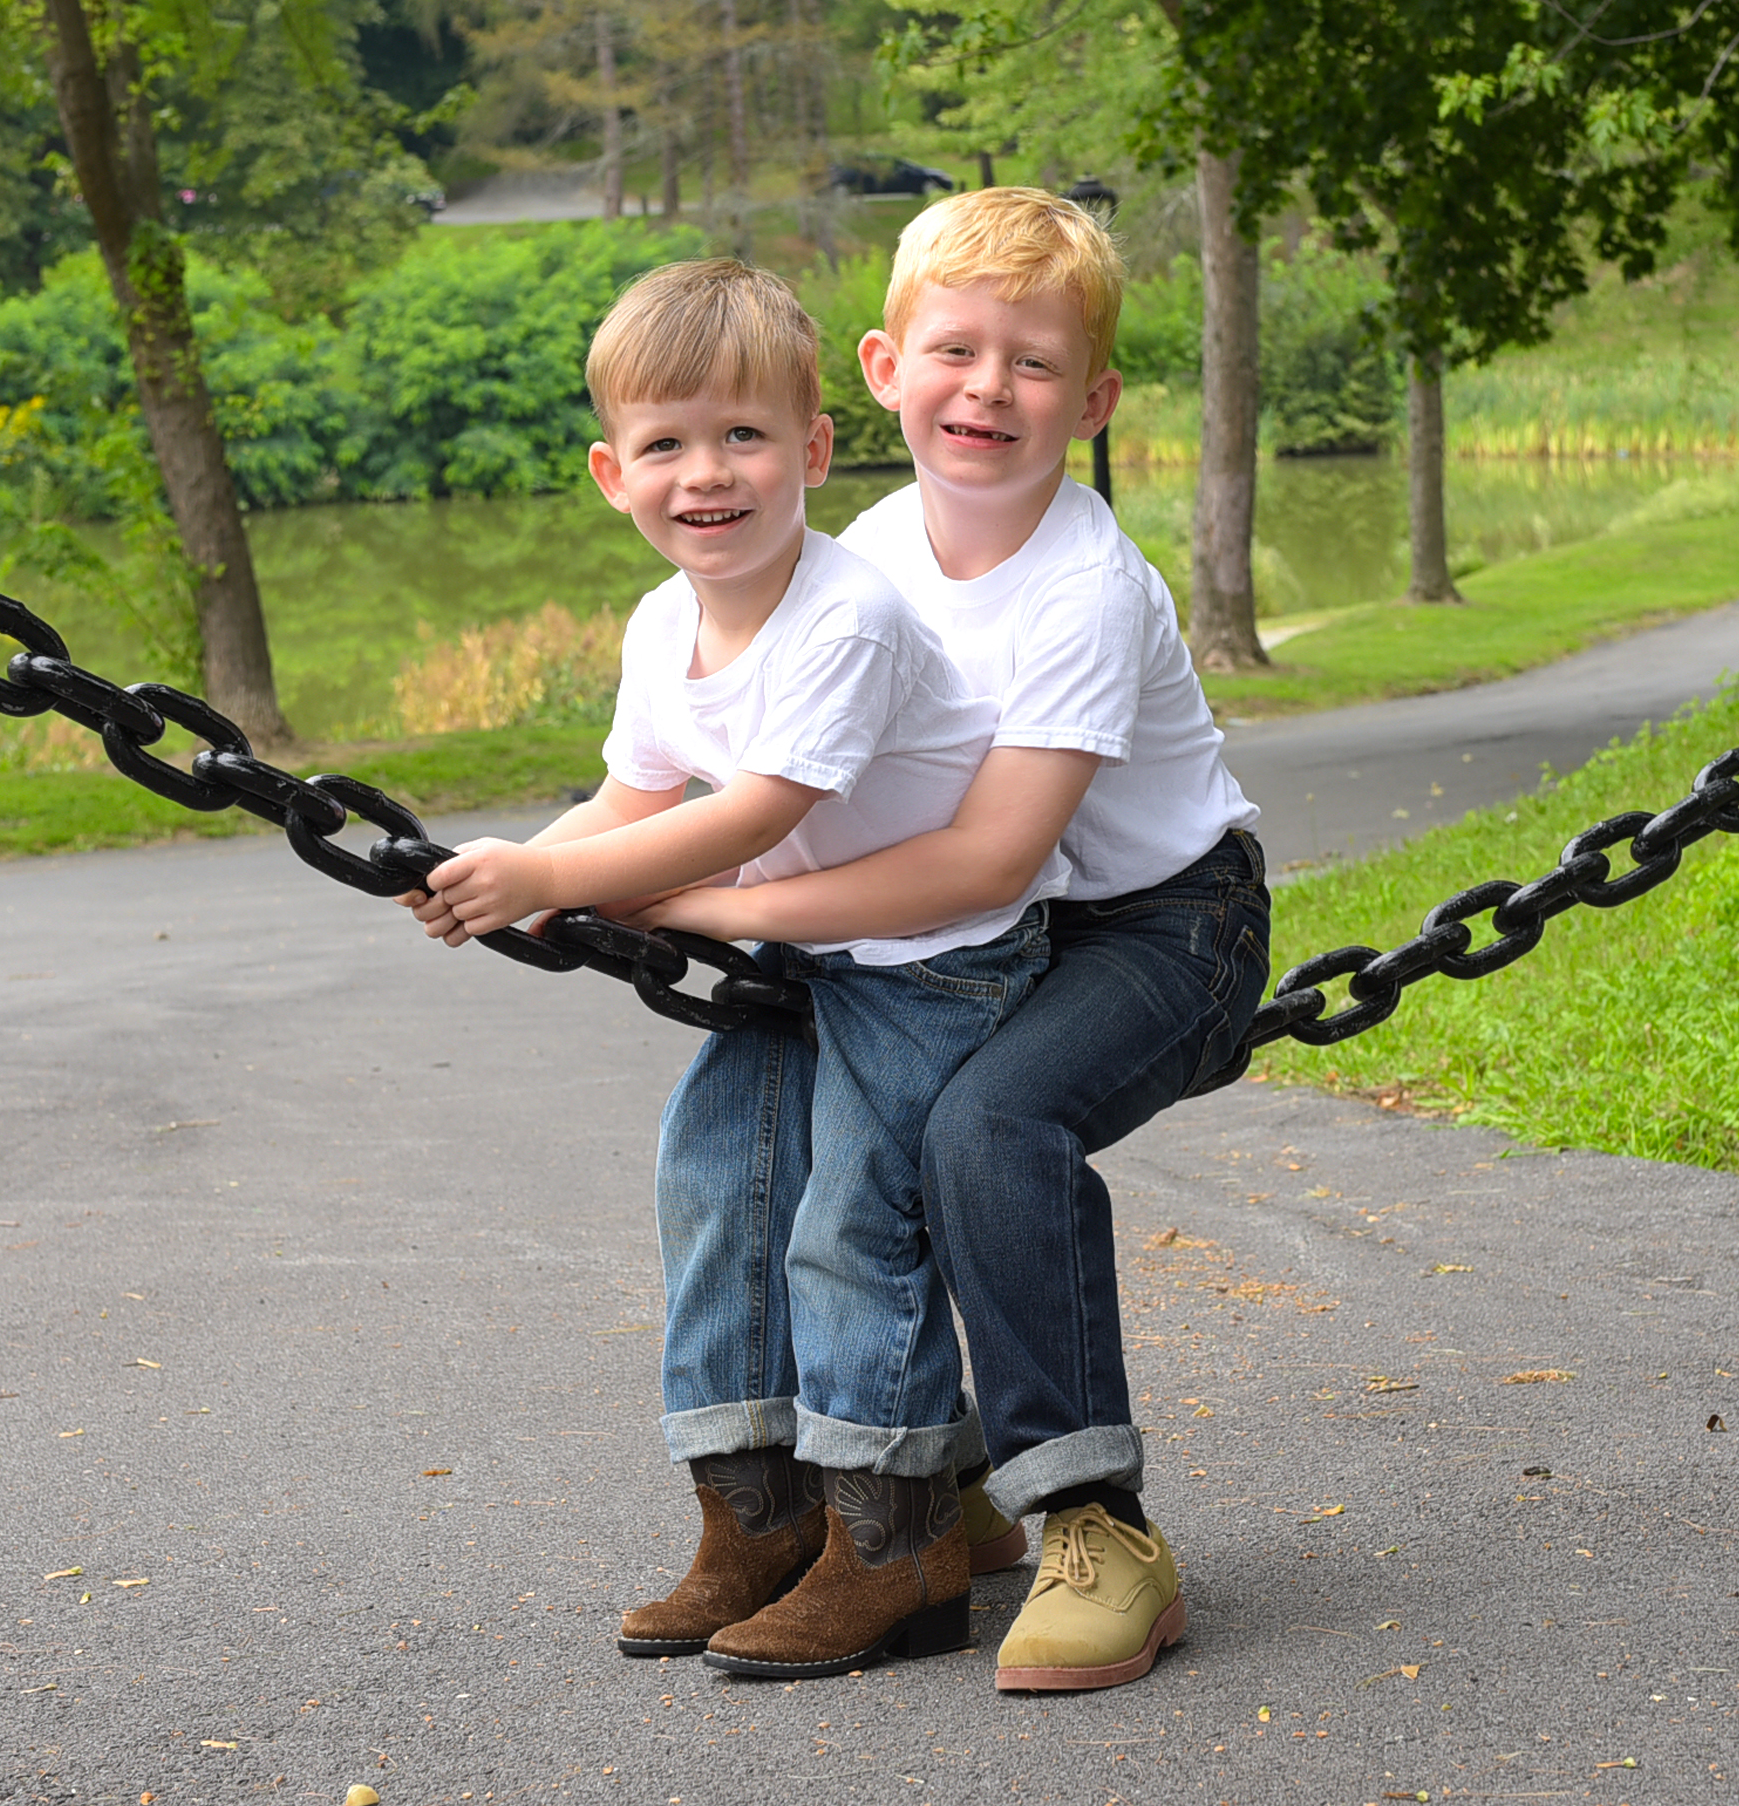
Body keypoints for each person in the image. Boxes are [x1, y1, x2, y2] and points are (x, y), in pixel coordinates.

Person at [400, 257, 1065, 1678]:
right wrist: (518, 872)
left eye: (745, 437)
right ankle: (756, 1516)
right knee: (713, 1180)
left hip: (931, 962)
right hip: (809, 959)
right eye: (667, 446)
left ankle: (899, 1541)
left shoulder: (850, 616)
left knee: (852, 1222)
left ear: (815, 450)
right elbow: (640, 801)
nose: (708, 475)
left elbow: (758, 813)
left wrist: (562, 878)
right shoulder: (662, 625)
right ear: (611, 471)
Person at [646, 187, 1270, 1694]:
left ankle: (1095, 1526)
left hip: (1155, 922)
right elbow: (771, 759)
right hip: (978, 921)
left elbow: (993, 849)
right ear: (882, 369)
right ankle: (862, 1496)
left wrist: (724, 906)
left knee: (988, 1130)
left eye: (1035, 363)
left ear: (1097, 401)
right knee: (757, 1118)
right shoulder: (865, 548)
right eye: (956, 350)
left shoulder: (1084, 589)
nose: (989, 388)